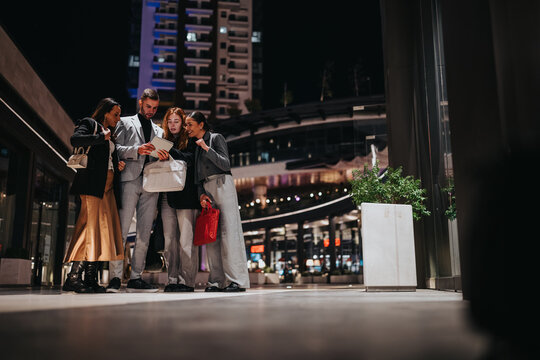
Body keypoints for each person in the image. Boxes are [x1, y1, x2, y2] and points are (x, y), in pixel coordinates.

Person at [63, 98, 125, 293]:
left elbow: (105, 158)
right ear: (105, 112)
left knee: (102, 232)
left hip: (107, 187)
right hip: (92, 185)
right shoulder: (90, 124)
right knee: (88, 228)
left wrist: (117, 165)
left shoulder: (110, 135)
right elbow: (75, 140)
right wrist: (100, 138)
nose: (118, 118)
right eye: (115, 114)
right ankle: (74, 277)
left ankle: (90, 278)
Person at [106, 89, 164, 293]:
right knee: (120, 231)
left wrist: (162, 155)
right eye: (148, 107)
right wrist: (136, 150)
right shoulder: (125, 122)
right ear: (141, 103)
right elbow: (116, 149)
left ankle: (136, 277)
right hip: (129, 180)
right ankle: (114, 277)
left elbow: (160, 156)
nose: (151, 111)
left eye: (155, 108)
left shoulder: (160, 131)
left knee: (144, 234)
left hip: (151, 183)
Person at [185, 111, 249, 292]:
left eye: (190, 124)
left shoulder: (215, 138)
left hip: (223, 184)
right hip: (207, 189)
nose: (187, 128)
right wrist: (201, 194)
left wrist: (207, 148)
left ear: (201, 125)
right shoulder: (195, 145)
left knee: (229, 232)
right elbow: (197, 176)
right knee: (211, 236)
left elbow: (226, 164)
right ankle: (216, 281)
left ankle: (236, 280)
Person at [158, 107, 200, 292]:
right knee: (170, 242)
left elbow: (191, 159)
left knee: (186, 241)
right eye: (169, 121)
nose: (173, 124)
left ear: (182, 122)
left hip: (187, 196)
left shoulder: (190, 139)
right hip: (167, 195)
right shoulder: (162, 141)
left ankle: (187, 281)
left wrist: (171, 152)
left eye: (176, 121)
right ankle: (172, 279)